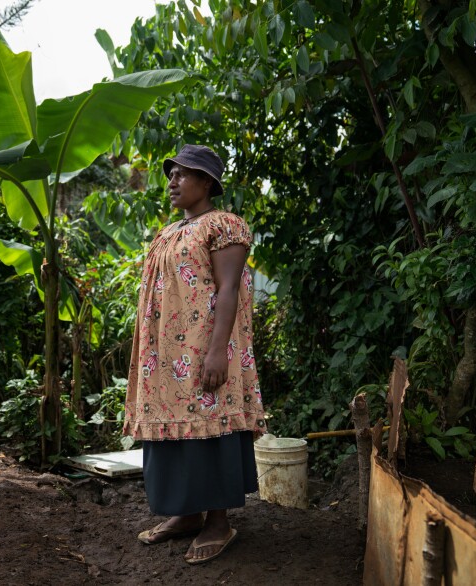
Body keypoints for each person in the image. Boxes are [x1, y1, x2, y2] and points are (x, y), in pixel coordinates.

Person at [122, 144, 267, 565]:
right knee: (174, 424)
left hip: (204, 347)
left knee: (209, 420)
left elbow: (228, 289)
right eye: (171, 174)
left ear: (207, 183)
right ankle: (186, 514)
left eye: (183, 174)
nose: (172, 181)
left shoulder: (224, 226)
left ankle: (218, 522)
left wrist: (218, 351)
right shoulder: (168, 232)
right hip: (166, 354)